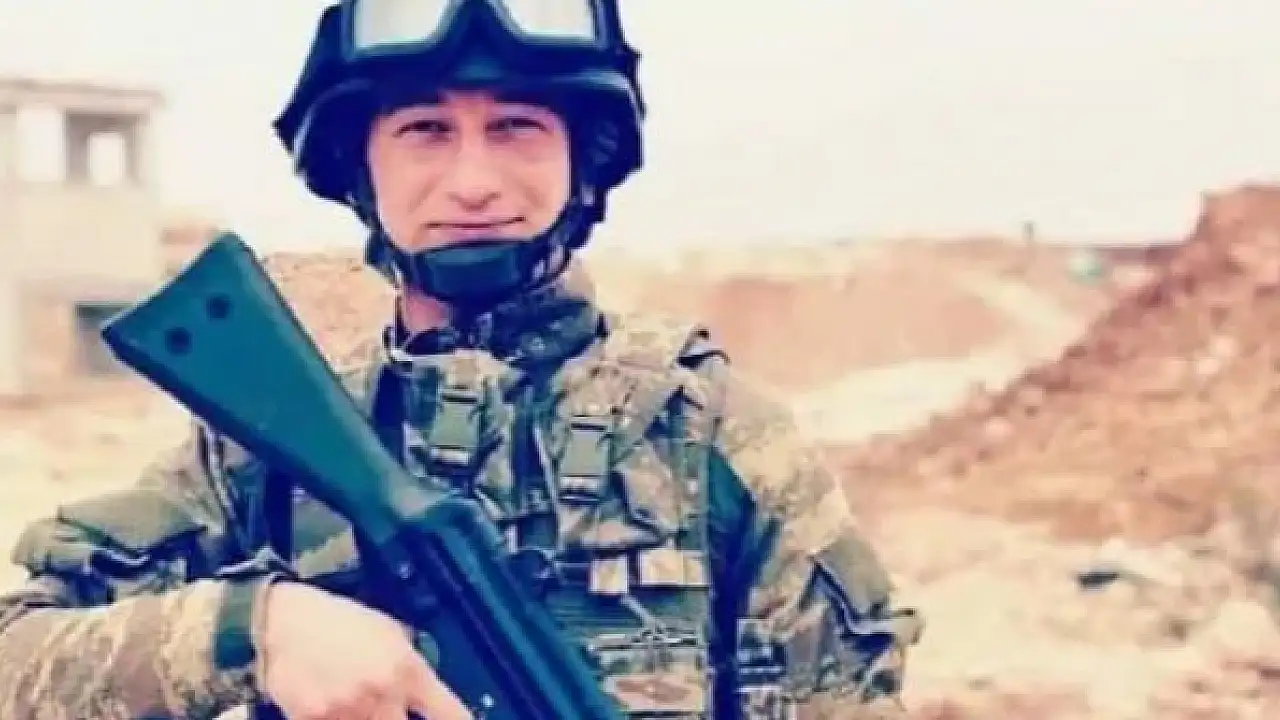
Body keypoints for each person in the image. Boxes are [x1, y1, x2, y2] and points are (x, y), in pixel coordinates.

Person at [0, 1, 922, 718]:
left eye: (516, 126)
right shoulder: (261, 451)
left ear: (581, 163)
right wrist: (253, 632)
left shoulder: (715, 437)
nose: (474, 182)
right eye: (425, 131)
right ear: (361, 169)